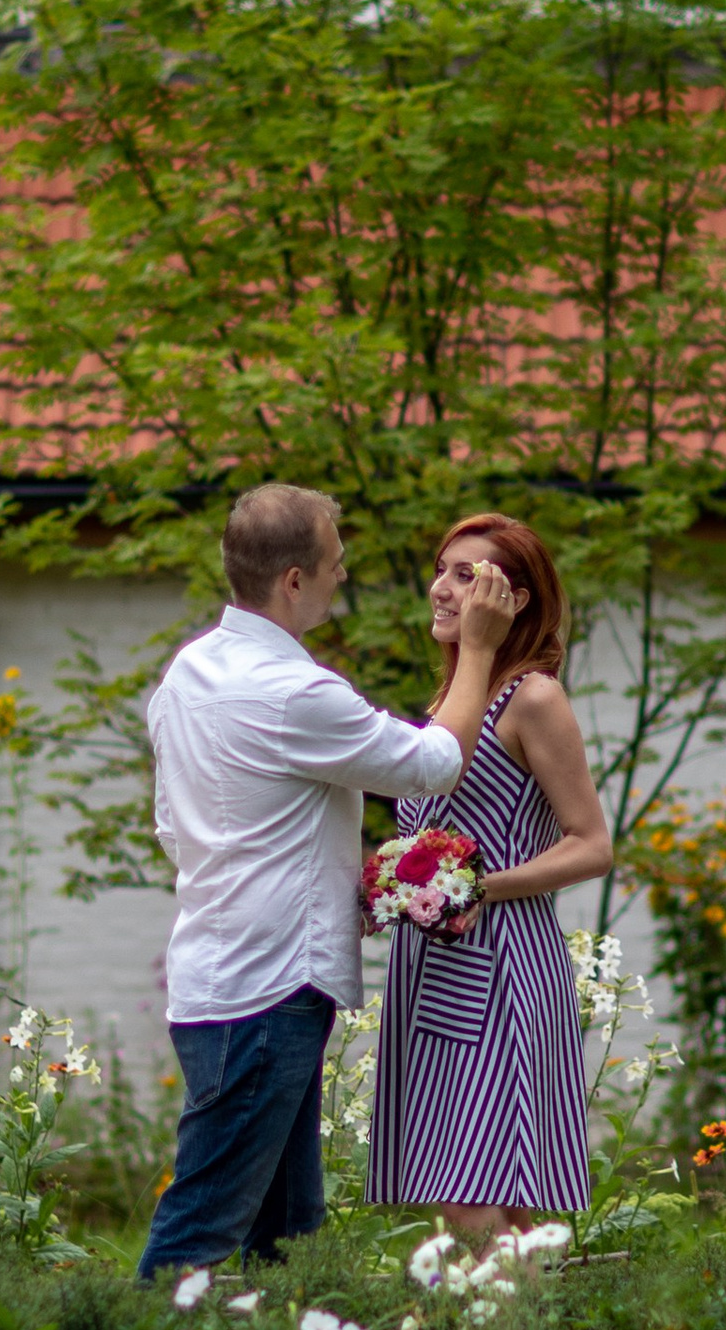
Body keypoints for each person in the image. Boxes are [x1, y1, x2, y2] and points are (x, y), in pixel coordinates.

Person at [140, 482, 521, 1275]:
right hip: (266, 991)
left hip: (216, 974)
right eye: (335, 565)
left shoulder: (188, 673)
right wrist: (480, 649)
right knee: (201, 1231)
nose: (343, 577)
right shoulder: (296, 693)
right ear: (293, 581)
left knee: (283, 1233)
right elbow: (434, 765)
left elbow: (174, 829)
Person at [368, 512, 613, 1243]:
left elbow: (593, 844)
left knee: (471, 1190)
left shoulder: (533, 698)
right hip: (435, 963)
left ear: (517, 600)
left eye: (468, 575)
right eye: (442, 570)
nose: (444, 589)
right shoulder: (449, 705)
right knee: (492, 1197)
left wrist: (476, 883)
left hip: (500, 958)